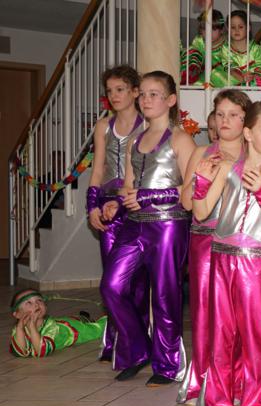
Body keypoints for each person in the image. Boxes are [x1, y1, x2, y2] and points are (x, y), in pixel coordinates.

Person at [191, 101, 261, 406]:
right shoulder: (227, 168)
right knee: (221, 332)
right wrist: (201, 183)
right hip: (222, 256)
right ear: (248, 134)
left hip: (256, 262)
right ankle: (217, 404)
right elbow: (201, 213)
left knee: (255, 334)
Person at [101, 71, 196, 385]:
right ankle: (138, 350)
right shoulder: (135, 140)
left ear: (171, 100)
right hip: (134, 224)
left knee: (165, 296)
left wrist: (149, 196)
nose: (146, 99)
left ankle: (167, 364)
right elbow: (128, 186)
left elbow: (190, 192)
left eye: (154, 94)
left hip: (168, 226)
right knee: (111, 286)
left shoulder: (180, 139)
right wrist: (118, 202)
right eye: (142, 93)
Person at [178, 89, 250, 406]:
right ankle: (203, 379)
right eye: (220, 114)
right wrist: (200, 179)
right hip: (205, 241)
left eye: (233, 115)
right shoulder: (202, 152)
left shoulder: (254, 155)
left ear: (246, 120)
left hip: (241, 245)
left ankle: (238, 380)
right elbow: (186, 202)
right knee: (205, 313)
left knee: (240, 316)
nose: (225, 121)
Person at [87, 65, 145, 364]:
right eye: (109, 91)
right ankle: (114, 339)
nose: (114, 95)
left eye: (120, 89)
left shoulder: (147, 126)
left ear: (135, 91)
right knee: (112, 279)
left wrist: (124, 201)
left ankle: (138, 340)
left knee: (136, 281)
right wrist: (92, 206)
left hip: (135, 207)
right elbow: (98, 170)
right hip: (108, 207)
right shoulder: (103, 126)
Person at [10, 289, 107, 358]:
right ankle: (84, 317)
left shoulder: (51, 326)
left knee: (97, 329)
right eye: (29, 303)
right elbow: (19, 352)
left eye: (39, 300)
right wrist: (19, 328)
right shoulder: (19, 329)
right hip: (63, 322)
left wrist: (32, 327)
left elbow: (41, 351)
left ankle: (110, 315)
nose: (36, 304)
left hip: (73, 330)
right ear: (17, 314)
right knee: (77, 319)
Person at [223, 10, 261, 87]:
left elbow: (260, 67)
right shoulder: (225, 47)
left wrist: (252, 76)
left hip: (252, 79)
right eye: (233, 27)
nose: (236, 30)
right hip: (235, 79)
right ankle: (244, 85)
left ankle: (248, 85)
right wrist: (242, 77)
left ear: (248, 28)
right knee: (215, 74)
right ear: (228, 29)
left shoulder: (255, 48)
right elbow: (229, 67)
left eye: (240, 27)